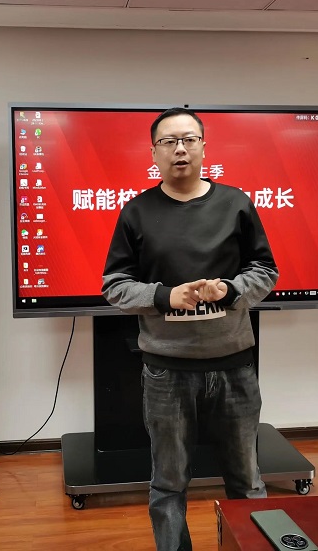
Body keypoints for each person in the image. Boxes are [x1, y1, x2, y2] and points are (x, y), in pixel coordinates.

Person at [102, 107, 279, 551]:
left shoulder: (236, 203)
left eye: (188, 139)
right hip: (167, 371)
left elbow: (265, 272)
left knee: (248, 481)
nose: (179, 149)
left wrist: (230, 289)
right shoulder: (136, 212)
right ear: (154, 153)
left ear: (203, 147)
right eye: (168, 142)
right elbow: (115, 287)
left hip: (235, 366)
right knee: (168, 486)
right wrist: (165, 296)